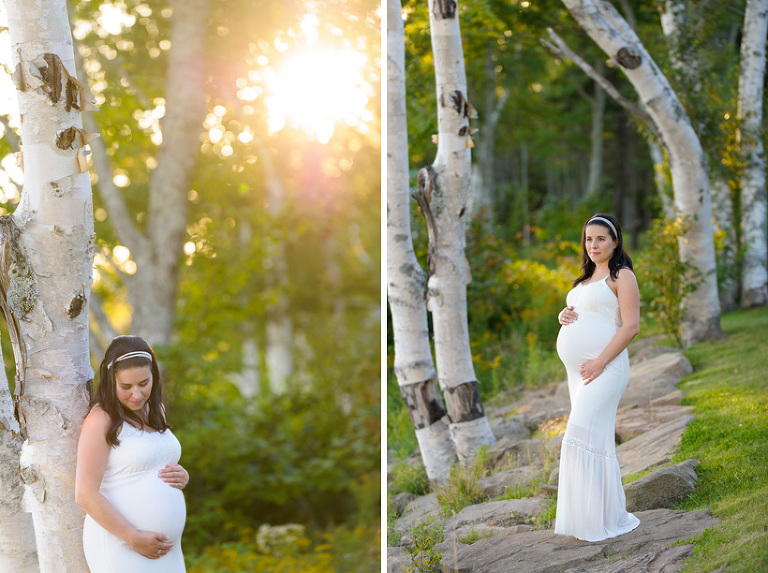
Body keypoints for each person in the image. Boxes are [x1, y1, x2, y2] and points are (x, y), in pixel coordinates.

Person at [554, 213, 641, 542]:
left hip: (606, 367)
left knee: (578, 434)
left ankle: (594, 521)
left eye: (601, 238)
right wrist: (563, 315)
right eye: (589, 239)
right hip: (579, 374)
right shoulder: (583, 281)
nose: (593, 245)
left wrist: (600, 361)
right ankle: (593, 518)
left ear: (615, 241)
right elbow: (584, 313)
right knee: (594, 439)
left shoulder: (622, 276)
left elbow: (630, 326)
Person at [76, 335, 189, 571]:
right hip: (122, 545)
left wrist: (182, 476)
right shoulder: (101, 420)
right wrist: (133, 538)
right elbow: (85, 494)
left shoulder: (155, 410)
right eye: (126, 387)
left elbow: (153, 462)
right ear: (110, 381)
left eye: (143, 383)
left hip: (166, 550)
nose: (137, 395)